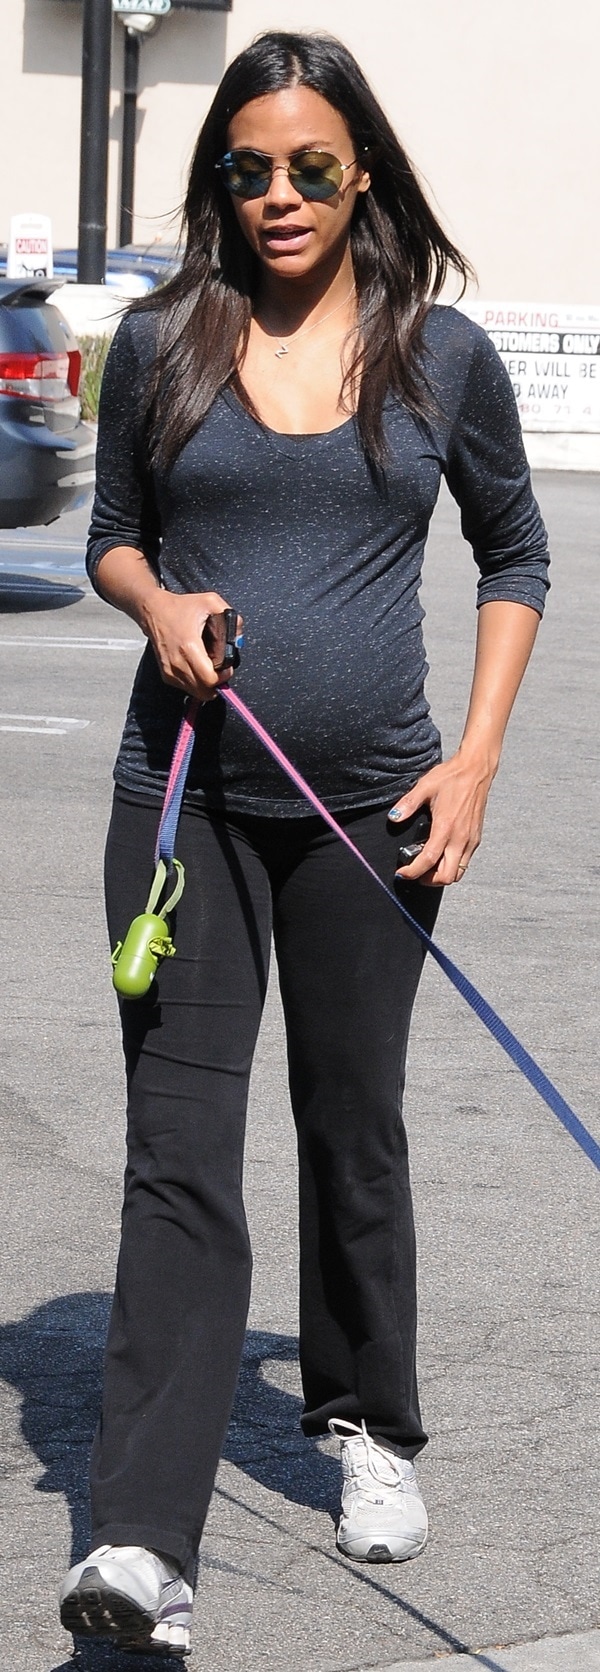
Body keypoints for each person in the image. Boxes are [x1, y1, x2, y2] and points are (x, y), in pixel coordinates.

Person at [59, 29, 549, 1659]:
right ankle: (142, 1541)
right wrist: (159, 601)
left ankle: (366, 1427)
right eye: (248, 167)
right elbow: (111, 534)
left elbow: (515, 552)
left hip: (372, 817)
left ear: (362, 176)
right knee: (177, 1159)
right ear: (220, 181)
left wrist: (474, 759)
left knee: (355, 1128)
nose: (278, 194)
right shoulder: (160, 338)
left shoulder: (441, 353)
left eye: (311, 167)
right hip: (185, 805)